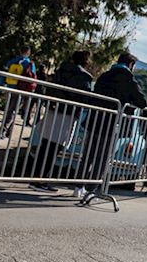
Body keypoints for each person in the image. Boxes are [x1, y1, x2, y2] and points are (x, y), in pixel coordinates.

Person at [27, 50, 98, 194]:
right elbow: (85, 97)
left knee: (45, 145)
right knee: (55, 148)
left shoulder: (62, 69)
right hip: (68, 113)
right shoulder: (84, 76)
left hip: (53, 109)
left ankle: (36, 177)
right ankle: (41, 179)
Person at [0, 47, 39, 138]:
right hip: (21, 89)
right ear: (28, 53)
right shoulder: (29, 64)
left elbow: (5, 72)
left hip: (10, 86)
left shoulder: (12, 61)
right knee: (13, 110)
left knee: (10, 109)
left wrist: (1, 84)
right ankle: (3, 130)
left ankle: (8, 132)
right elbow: (32, 79)